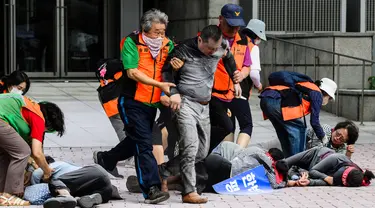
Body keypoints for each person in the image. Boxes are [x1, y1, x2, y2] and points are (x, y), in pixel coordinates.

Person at [93, 9, 174, 204]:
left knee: (138, 140)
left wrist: (166, 88)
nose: (161, 36)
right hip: (131, 102)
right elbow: (132, 73)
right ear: (145, 29)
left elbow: (168, 71)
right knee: (144, 145)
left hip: (151, 104)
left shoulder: (168, 45)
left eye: (163, 31)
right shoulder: (131, 42)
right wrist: (160, 86)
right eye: (157, 32)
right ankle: (151, 189)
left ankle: (107, 158)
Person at [162, 24, 240, 204]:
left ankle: (164, 171)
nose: (212, 52)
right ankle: (189, 191)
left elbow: (228, 59)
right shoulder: (184, 50)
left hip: (204, 105)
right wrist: (173, 94)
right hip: (185, 103)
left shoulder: (221, 47)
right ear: (199, 40)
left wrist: (234, 77)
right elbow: (166, 73)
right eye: (209, 48)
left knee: (201, 152)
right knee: (190, 146)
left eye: (215, 48)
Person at [0, 93, 65, 204]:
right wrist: (47, 170)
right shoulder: (38, 117)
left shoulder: (29, 106)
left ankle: (2, 192)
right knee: (23, 151)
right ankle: (10, 195)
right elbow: (37, 153)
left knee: (7, 153)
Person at [260, 73, 338, 157]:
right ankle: (297, 162)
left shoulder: (307, 87)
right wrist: (323, 136)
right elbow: (314, 122)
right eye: (329, 98)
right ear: (326, 93)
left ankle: (288, 161)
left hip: (266, 98)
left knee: (283, 132)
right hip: (276, 102)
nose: (328, 101)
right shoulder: (317, 93)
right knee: (300, 129)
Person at [207, 4, 252, 148]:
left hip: (236, 92)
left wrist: (242, 75)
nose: (234, 29)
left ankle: (234, 158)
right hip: (214, 93)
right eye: (231, 25)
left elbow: (247, 65)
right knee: (226, 126)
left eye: (237, 26)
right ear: (220, 19)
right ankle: (222, 158)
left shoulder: (243, 39)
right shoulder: (209, 36)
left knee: (245, 125)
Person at [227, 18, 267, 147]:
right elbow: (254, 73)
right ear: (256, 36)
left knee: (229, 125)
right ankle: (237, 156)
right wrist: (259, 85)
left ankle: (225, 155)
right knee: (246, 125)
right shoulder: (252, 46)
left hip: (225, 91)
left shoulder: (235, 41)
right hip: (240, 92)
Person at [26, 156, 114, 208]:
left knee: (55, 182)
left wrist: (33, 185)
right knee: (77, 192)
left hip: (93, 171)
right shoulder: (67, 166)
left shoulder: (54, 165)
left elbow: (37, 174)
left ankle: (65, 196)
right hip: (101, 183)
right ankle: (91, 198)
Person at [285, 147, 375, 187]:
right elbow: (313, 170)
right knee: (284, 163)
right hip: (314, 155)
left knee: (296, 177)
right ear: (346, 168)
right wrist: (326, 177)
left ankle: (296, 171)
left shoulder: (348, 180)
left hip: (314, 171)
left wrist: (309, 182)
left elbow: (329, 182)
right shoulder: (336, 158)